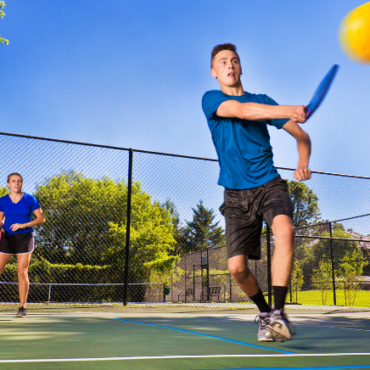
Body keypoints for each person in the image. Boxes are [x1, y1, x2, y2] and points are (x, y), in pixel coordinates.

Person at [202, 44, 311, 342]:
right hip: (235, 195)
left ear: (240, 67)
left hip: (269, 184)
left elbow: (302, 136)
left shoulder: (263, 101)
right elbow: (242, 111)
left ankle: (278, 313)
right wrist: (289, 109)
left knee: (285, 230)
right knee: (237, 268)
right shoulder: (211, 99)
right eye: (223, 62)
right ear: (214, 72)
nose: (230, 65)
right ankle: (264, 314)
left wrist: (303, 162)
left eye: (234, 60)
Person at [0, 173, 46, 317]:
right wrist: (2, 226)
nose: (16, 184)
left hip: (25, 238)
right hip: (7, 238)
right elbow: (0, 220)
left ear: (22, 184)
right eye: (13, 181)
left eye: (19, 181)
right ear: (8, 184)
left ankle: (22, 307)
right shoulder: (2, 201)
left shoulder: (30, 199)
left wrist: (23, 225)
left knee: (22, 271)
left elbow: (41, 219)